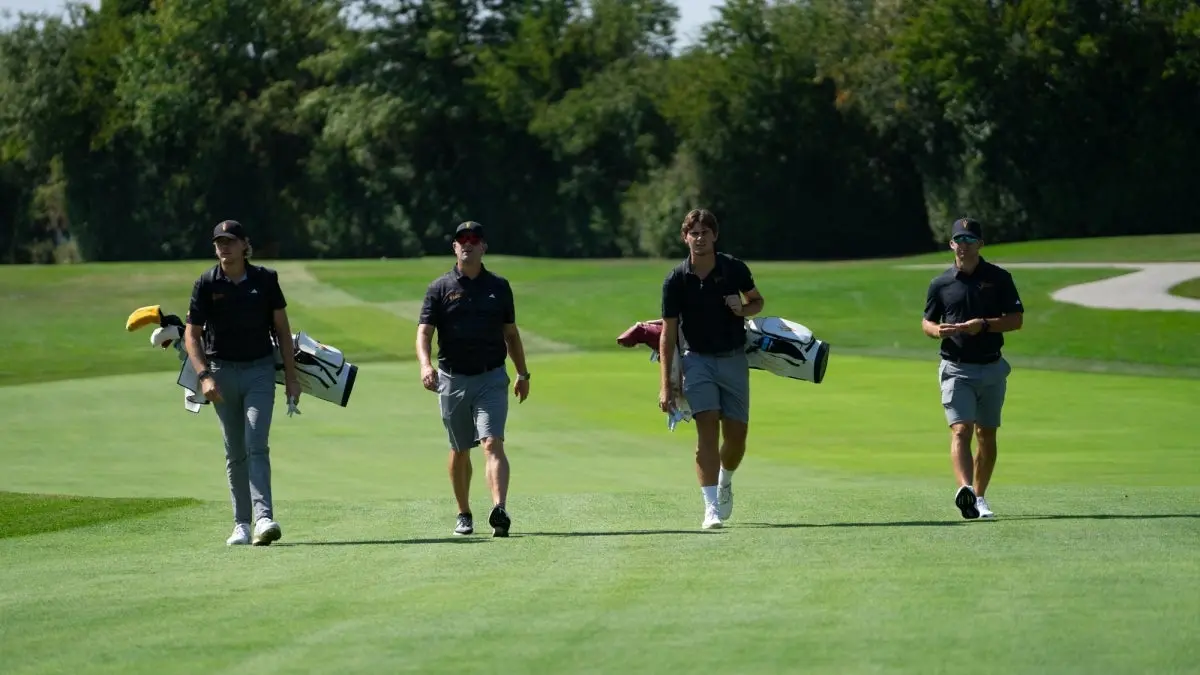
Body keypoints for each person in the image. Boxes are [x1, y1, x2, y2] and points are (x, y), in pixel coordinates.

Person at [184, 219, 301, 546]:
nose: (224, 247)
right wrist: (204, 376)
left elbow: (282, 330)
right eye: (219, 242)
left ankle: (263, 517)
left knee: (255, 441)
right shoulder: (206, 283)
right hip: (220, 374)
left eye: (230, 241)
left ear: (244, 245)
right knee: (234, 451)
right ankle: (241, 524)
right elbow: (191, 337)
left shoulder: (265, 280)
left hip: (260, 371)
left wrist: (291, 378)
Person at [416, 221, 530, 538]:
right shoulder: (439, 288)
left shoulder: (499, 287)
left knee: (492, 442)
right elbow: (424, 333)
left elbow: (511, 334)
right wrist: (426, 366)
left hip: (491, 376)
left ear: (483, 247)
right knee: (460, 449)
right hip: (452, 379)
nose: (467, 244)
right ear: (454, 247)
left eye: (473, 239)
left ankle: (500, 509)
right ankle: (463, 512)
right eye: (461, 239)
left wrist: (522, 372)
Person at [658, 209, 765, 530]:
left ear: (715, 236)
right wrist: (666, 384)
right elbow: (668, 333)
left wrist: (743, 308)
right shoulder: (676, 279)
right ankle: (710, 509)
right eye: (694, 233)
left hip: (733, 358)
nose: (700, 238)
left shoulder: (733, 269)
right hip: (696, 360)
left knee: (737, 437)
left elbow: (757, 301)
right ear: (685, 237)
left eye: (706, 232)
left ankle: (725, 481)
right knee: (707, 430)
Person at [922, 218, 1024, 520]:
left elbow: (1015, 319)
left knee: (986, 435)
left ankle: (979, 497)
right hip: (955, 367)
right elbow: (926, 321)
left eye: (970, 240)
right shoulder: (940, 283)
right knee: (961, 429)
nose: (964, 245)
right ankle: (965, 491)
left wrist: (985, 325)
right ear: (952, 244)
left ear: (980, 244)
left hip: (992, 367)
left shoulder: (999, 278)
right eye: (959, 240)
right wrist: (936, 331)